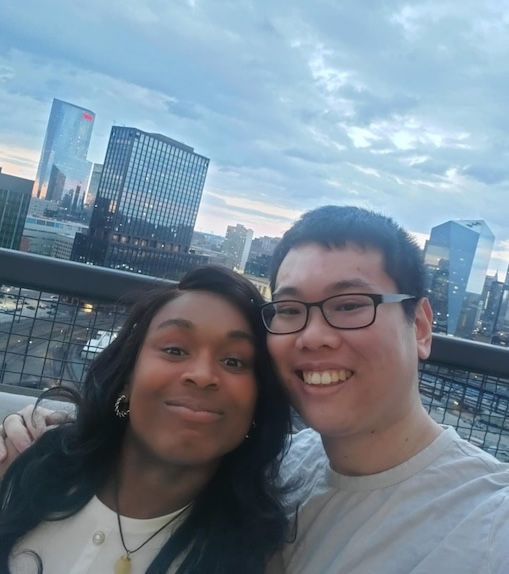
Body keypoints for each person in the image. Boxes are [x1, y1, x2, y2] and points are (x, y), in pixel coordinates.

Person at [4, 205, 509, 573]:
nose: (313, 336)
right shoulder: (276, 470)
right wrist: (52, 437)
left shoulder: (489, 524)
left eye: (351, 305)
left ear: (420, 327)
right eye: (289, 310)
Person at [0, 266, 291, 574]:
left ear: (258, 401)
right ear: (127, 376)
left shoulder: (257, 559)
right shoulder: (22, 467)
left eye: (233, 361)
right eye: (175, 350)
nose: (203, 375)